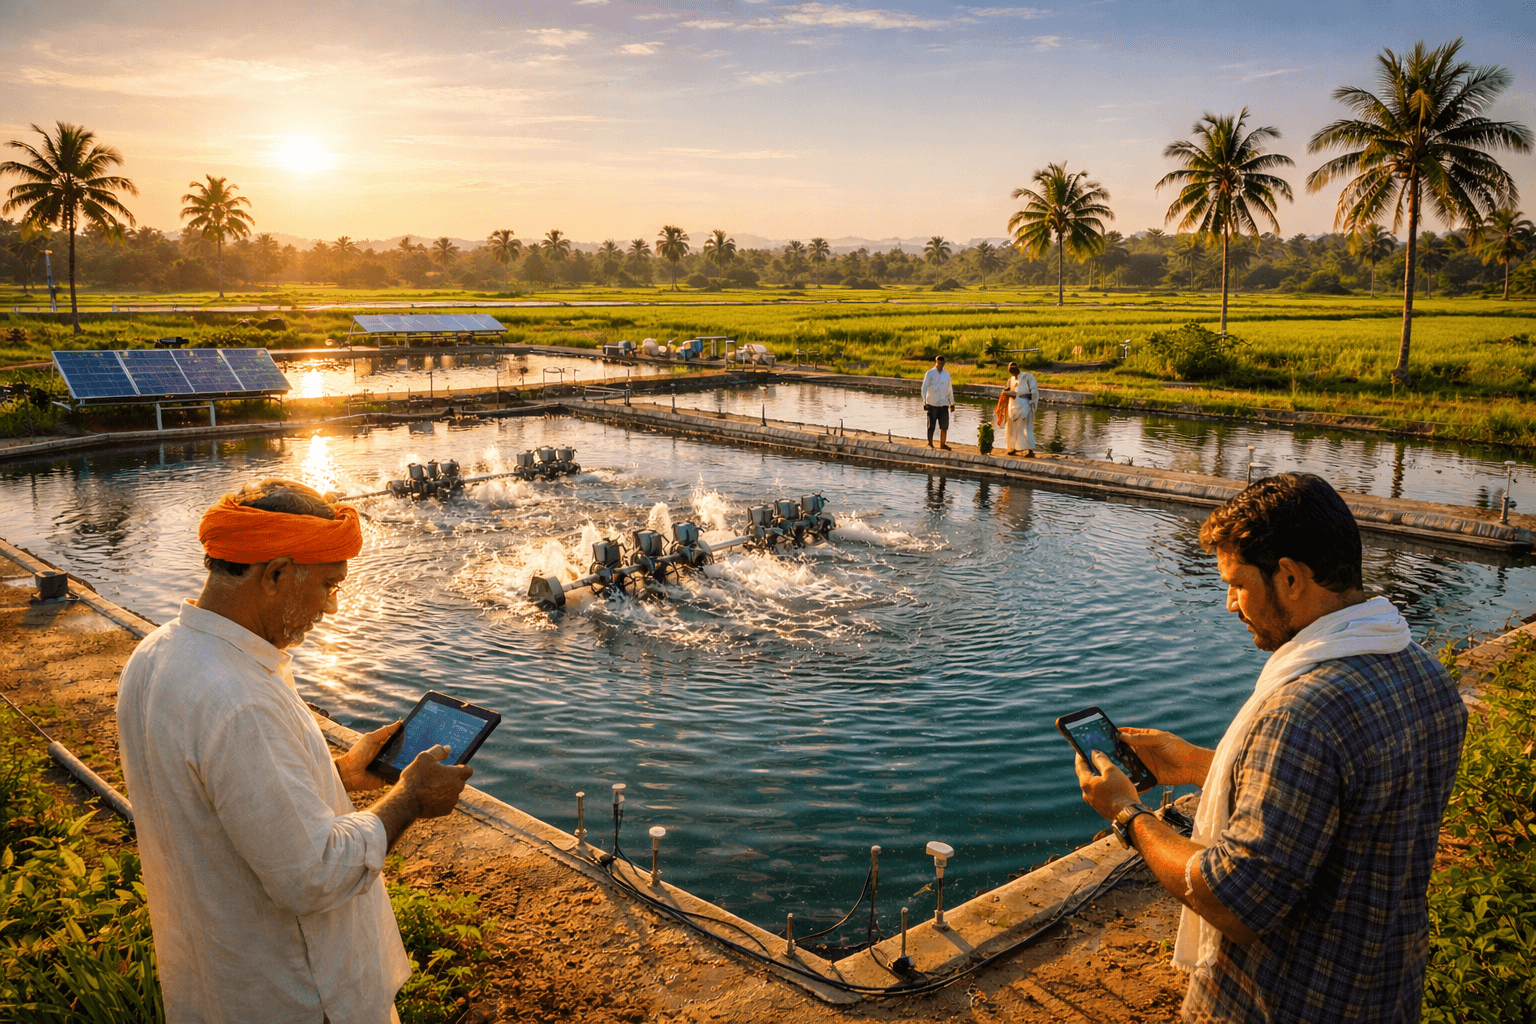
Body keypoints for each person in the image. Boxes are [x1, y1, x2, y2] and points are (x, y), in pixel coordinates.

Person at [1073, 473, 1465, 1024]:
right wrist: (1196, 764)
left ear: (1289, 578)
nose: (1231, 604)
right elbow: (1341, 799)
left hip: (1283, 998)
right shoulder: (1421, 670)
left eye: (1237, 584)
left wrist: (1128, 814)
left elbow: (1234, 899)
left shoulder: (1302, 711)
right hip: (1384, 985)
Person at [117, 479, 474, 1024]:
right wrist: (409, 800)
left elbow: (229, 792)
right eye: (330, 585)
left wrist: (343, 773)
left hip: (224, 978)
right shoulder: (239, 699)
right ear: (276, 573)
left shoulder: (157, 655)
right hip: (300, 995)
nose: (331, 608)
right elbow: (312, 874)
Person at [1003, 361, 1039, 457]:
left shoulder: (1028, 377)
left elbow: (1034, 392)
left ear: (1017, 368)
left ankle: (1030, 451)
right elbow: (1008, 389)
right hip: (1013, 406)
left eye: (1013, 370)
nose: (1012, 372)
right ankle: (1013, 448)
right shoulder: (1011, 379)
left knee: (1026, 428)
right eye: (1010, 371)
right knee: (1013, 428)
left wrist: (1029, 401)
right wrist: (1006, 391)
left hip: (1025, 405)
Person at [921, 354, 956, 450]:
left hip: (943, 403)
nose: (941, 365)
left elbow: (949, 389)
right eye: (939, 363)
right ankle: (930, 443)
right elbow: (924, 388)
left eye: (942, 363)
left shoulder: (946, 374)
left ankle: (942, 444)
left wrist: (951, 403)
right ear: (936, 362)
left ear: (944, 363)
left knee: (944, 426)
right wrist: (924, 402)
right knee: (931, 425)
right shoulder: (930, 373)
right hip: (932, 403)